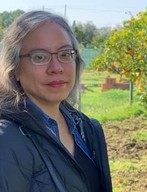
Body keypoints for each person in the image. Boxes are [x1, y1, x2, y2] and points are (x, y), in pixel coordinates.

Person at [0, 10, 112, 192]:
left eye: (65, 54)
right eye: (39, 57)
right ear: (15, 70)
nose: (56, 68)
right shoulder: (6, 141)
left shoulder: (86, 129)